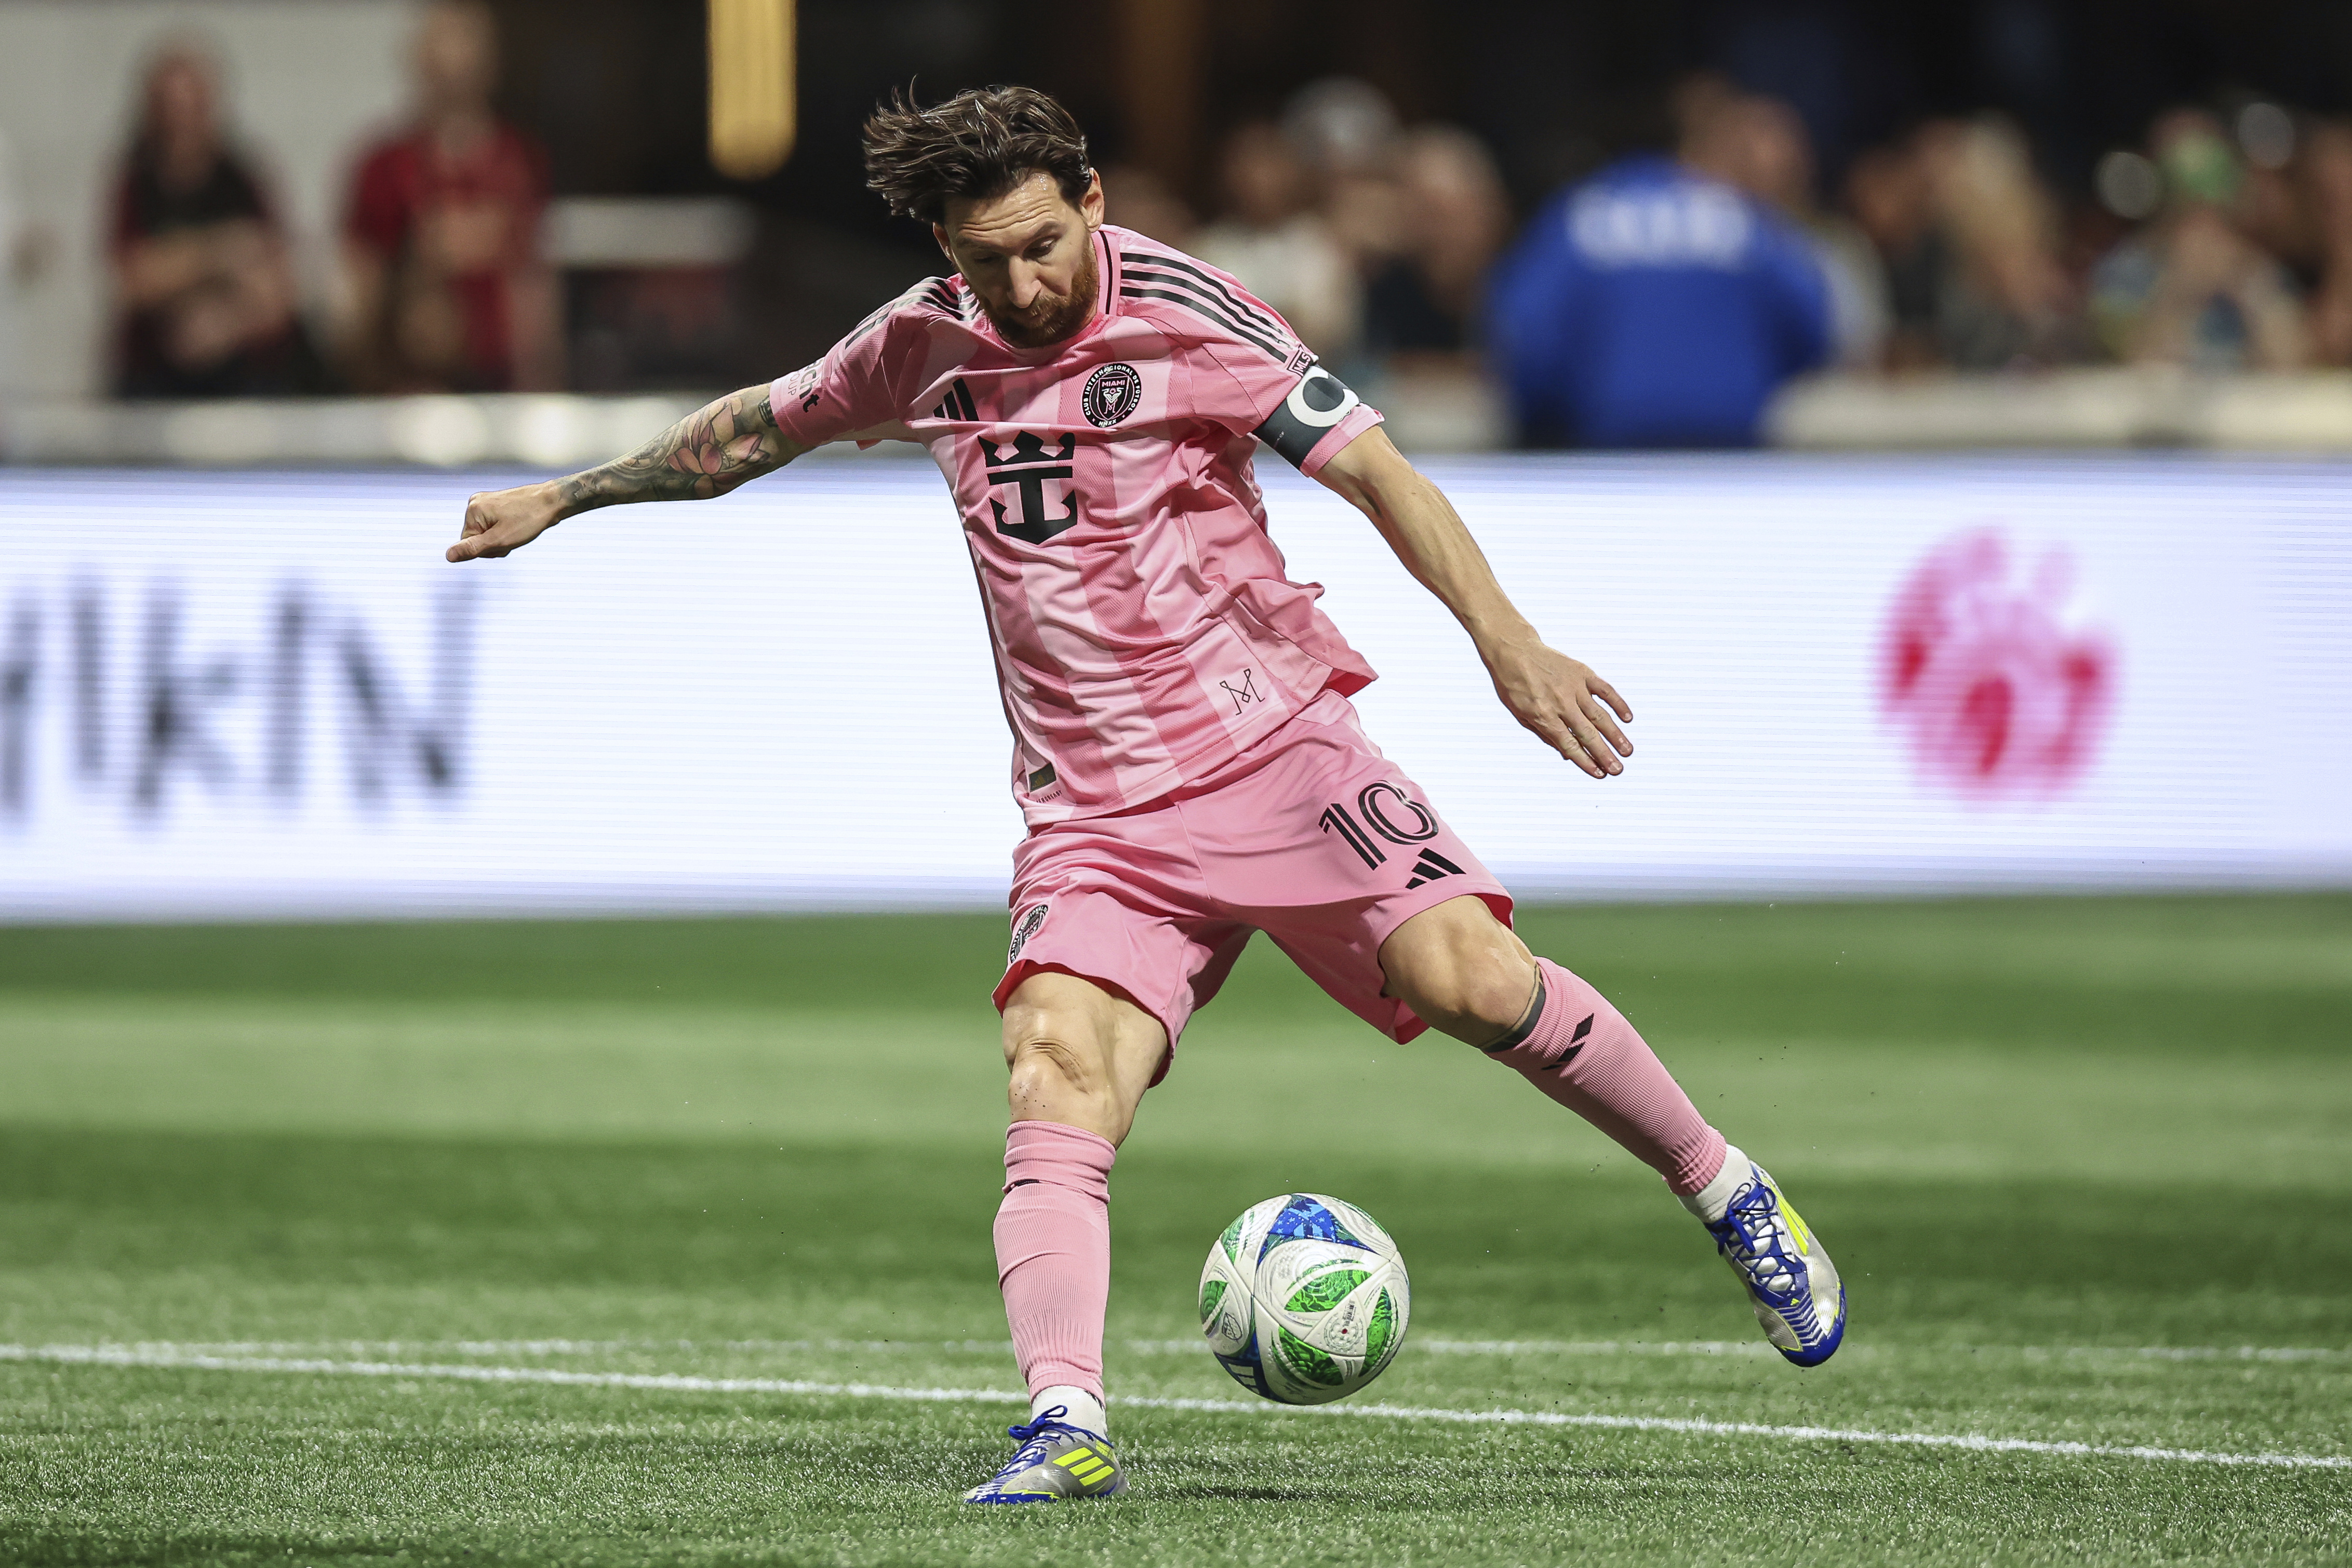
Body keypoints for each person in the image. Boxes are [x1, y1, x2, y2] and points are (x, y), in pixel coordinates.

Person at [443, 85, 1847, 1503]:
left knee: (1475, 980)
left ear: (1092, 202)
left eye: (1041, 246)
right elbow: (753, 428)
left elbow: (1380, 476)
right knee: (1054, 1065)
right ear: (944, 248)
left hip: (1277, 753)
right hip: (1098, 819)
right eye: (985, 259)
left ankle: (1728, 1192)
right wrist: (564, 496)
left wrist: (1505, 640)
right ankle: (1063, 1421)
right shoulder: (920, 344)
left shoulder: (1190, 312)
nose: (1020, 286)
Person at [1486, 86, 1830, 446]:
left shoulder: (1577, 216)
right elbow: (1816, 327)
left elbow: (1526, 341)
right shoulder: (1744, 220)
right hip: (1730, 449)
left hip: (1603, 450)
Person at [342, 0, 557, 392]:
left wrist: (541, 383)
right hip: (409, 385)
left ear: (490, 61)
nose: (454, 62)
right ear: (418, 61)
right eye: (440, 46)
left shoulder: (520, 161)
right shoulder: (383, 166)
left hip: (500, 383)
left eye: (466, 43)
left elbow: (533, 284)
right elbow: (361, 289)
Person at [107, 41, 326, 399]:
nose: (183, 121)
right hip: (154, 377)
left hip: (244, 377)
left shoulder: (243, 180)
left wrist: (226, 324)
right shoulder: (136, 184)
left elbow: (279, 288)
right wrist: (219, 251)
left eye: (193, 106)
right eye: (171, 108)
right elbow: (133, 280)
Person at [2091, 111, 2309, 371]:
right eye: (2185, 207)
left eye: (2212, 208)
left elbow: (2291, 365)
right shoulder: (2123, 275)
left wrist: (2251, 287)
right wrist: (2182, 288)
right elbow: (2129, 366)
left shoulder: (2258, 270)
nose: (2201, 221)